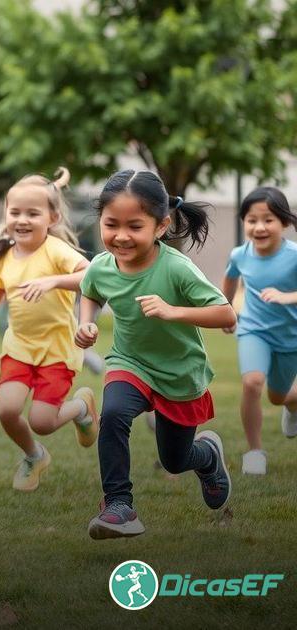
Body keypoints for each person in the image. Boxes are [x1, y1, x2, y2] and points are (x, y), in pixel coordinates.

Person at [78, 169, 236, 539]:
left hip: (179, 374)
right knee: (114, 413)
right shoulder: (102, 265)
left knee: (175, 459)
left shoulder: (176, 268)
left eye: (134, 226)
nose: (120, 236)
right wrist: (87, 323)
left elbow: (226, 312)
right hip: (129, 363)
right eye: (111, 224)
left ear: (161, 226)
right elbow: (91, 290)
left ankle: (208, 456)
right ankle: (119, 505)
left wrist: (173, 311)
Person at [0, 168, 99, 491]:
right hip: (19, 347)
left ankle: (82, 407)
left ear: (52, 218)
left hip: (57, 349)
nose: (22, 220)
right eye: (15, 212)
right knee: (8, 411)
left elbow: (92, 275)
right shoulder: (2, 255)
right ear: (6, 214)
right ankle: (34, 456)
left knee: (43, 422)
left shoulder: (55, 250)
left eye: (32, 213)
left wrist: (53, 280)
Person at [221, 187, 297, 475]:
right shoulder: (240, 254)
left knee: (278, 396)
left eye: (268, 220)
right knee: (252, 383)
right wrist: (226, 310)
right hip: (254, 330)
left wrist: (286, 296)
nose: (259, 227)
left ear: (284, 223)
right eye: (252, 220)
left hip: (290, 337)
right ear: (244, 222)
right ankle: (255, 452)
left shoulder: (293, 255)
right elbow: (229, 280)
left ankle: (292, 405)